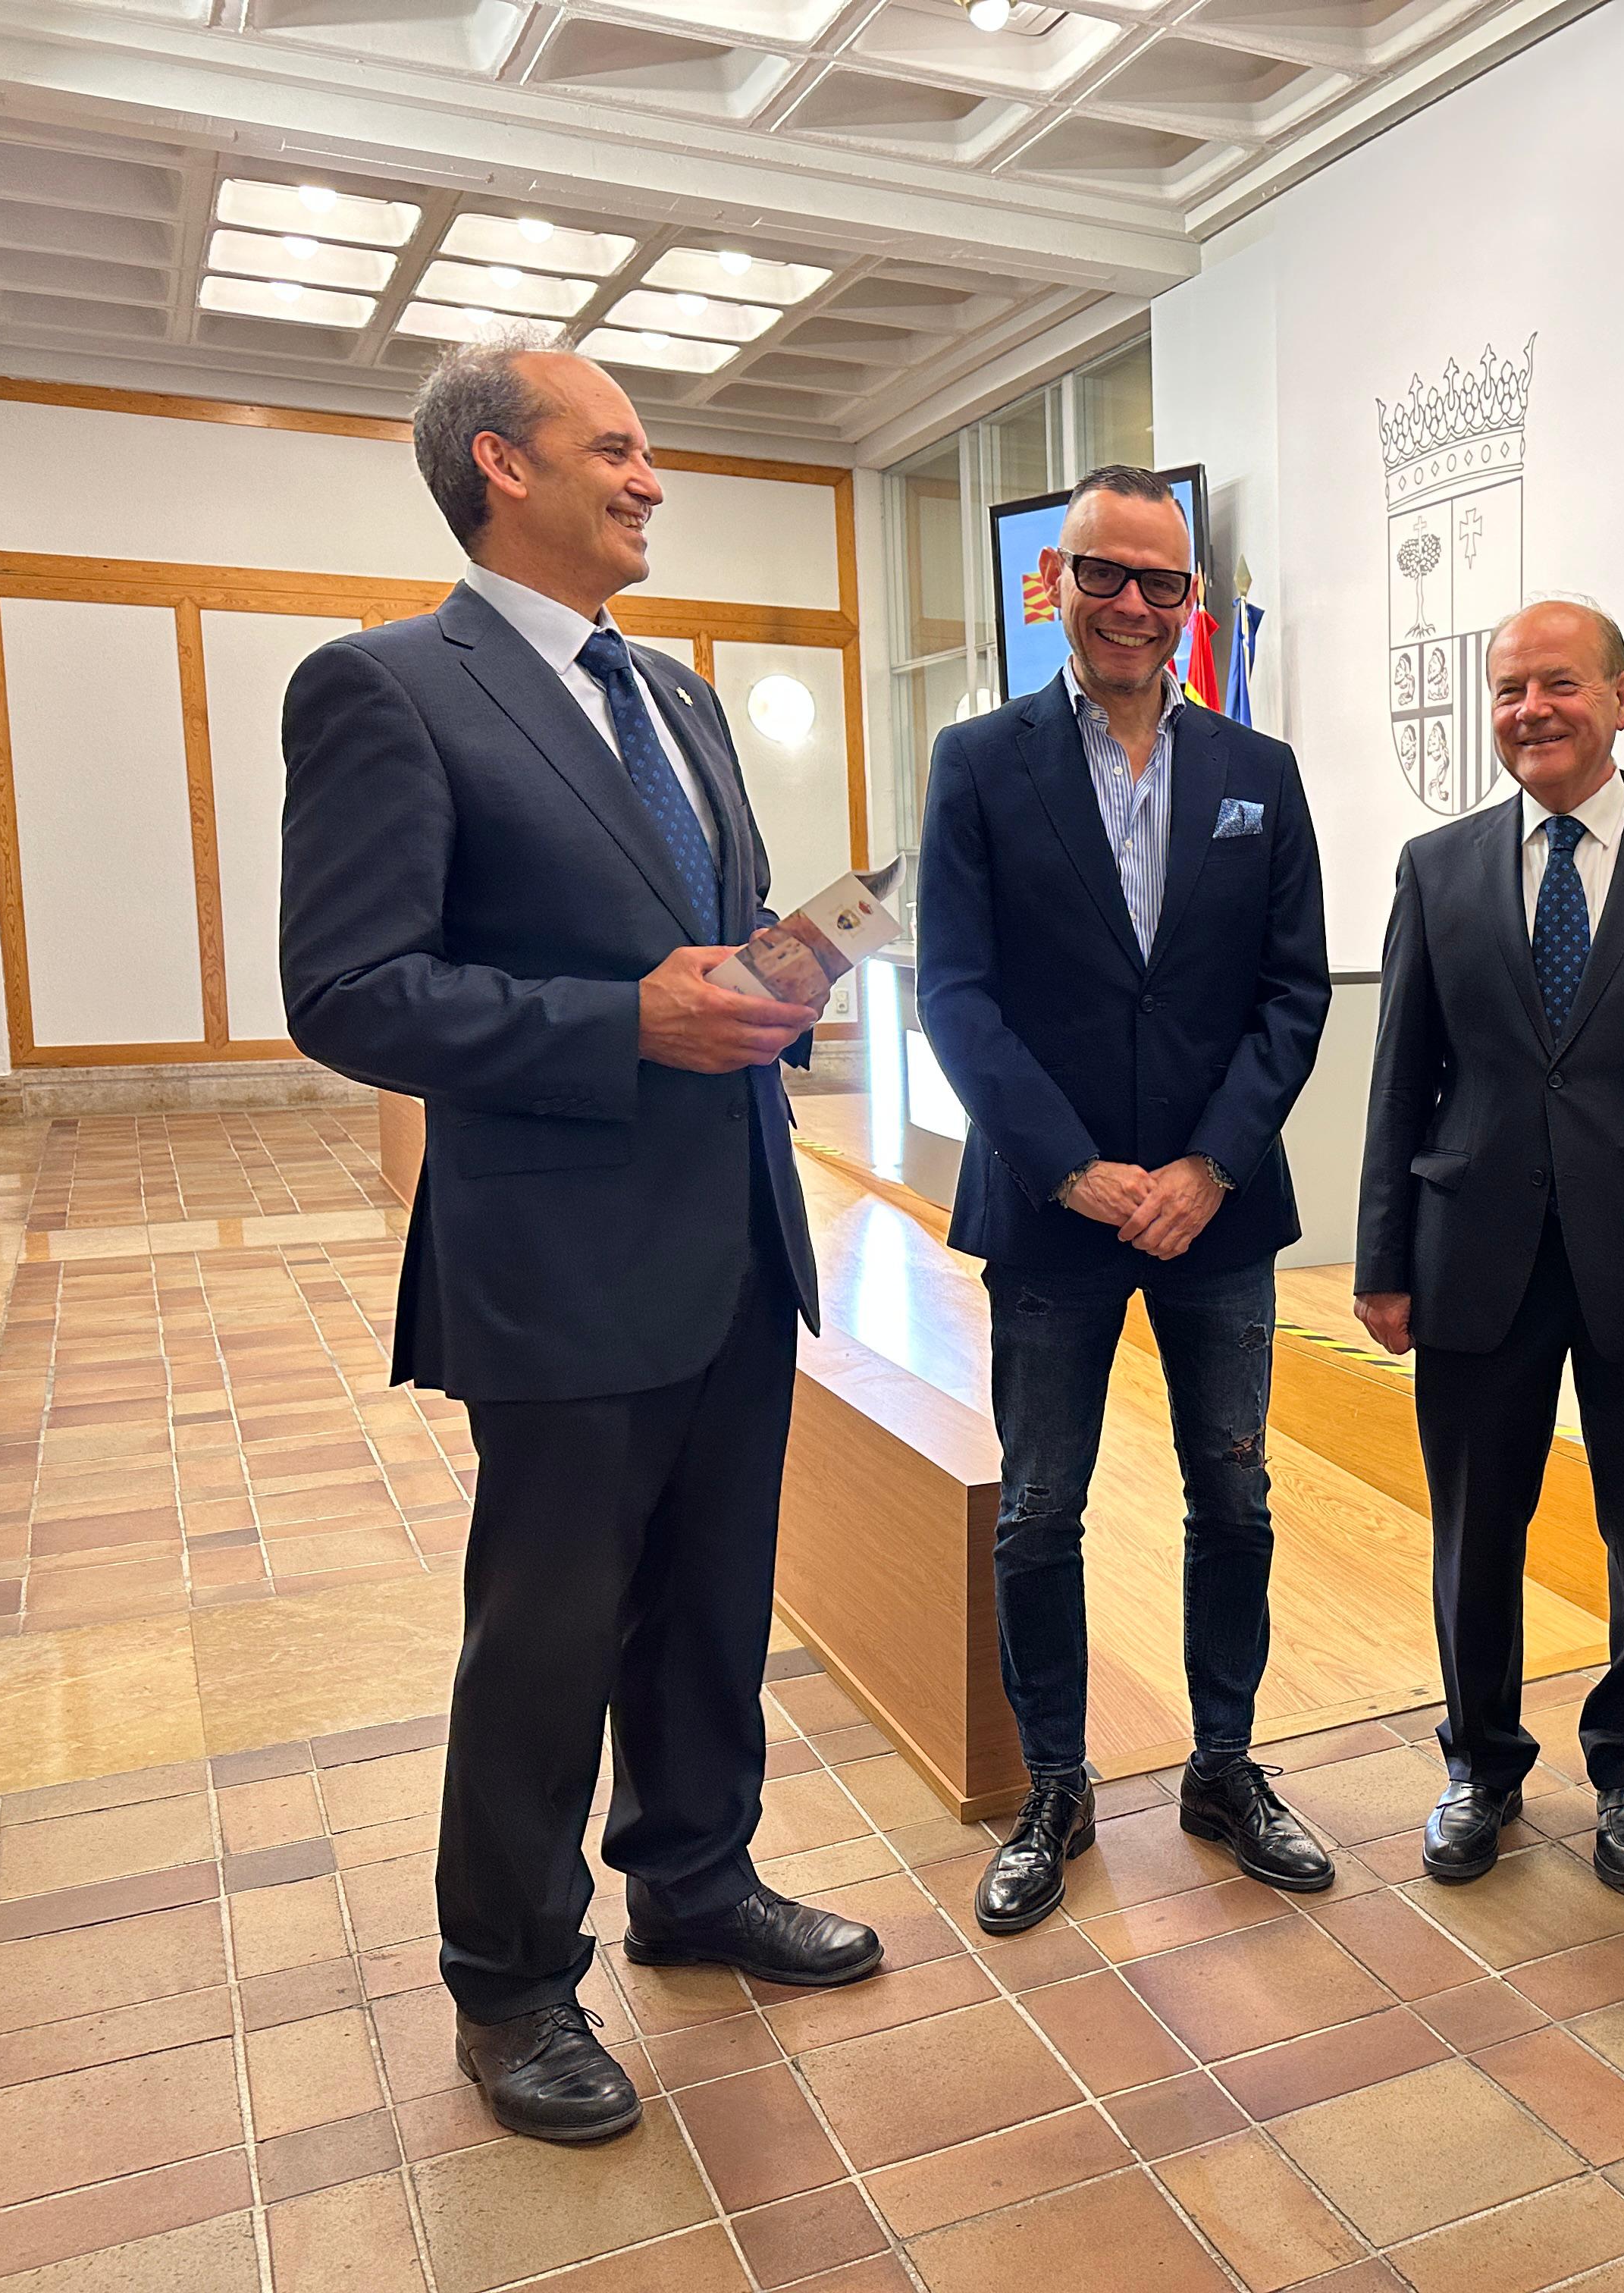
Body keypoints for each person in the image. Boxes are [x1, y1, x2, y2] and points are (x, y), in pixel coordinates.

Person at [281, 337, 881, 2147]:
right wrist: (619, 1021)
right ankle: (512, 1982)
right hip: (559, 1262)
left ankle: (698, 1883)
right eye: (614, 447)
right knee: (547, 1636)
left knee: (711, 1607)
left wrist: (769, 973)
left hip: (734, 1234)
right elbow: (347, 991)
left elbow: (677, 934)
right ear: (497, 467)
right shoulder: (386, 688)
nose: (652, 477)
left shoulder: (679, 698)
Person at [917, 466, 1333, 1935]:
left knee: (1236, 1495)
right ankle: (1056, 1785)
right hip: (1053, 1209)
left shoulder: (1258, 774)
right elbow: (956, 992)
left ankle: (1224, 1767)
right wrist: (1074, 1168)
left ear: (1189, 605)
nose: (1134, 606)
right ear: (1059, 586)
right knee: (1040, 1509)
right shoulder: (976, 763)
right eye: (1106, 575)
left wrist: (1209, 1164)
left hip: (1218, 1209)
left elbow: (1290, 995)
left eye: (1162, 584)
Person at [1355, 600, 1624, 1891]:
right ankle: (1479, 1760)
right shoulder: (1437, 867)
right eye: (1507, 691)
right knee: (1477, 1530)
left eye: (1559, 685)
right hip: (1471, 1251)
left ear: (1622, 697)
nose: (1531, 710)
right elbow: (1401, 1075)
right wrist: (1382, 1257)